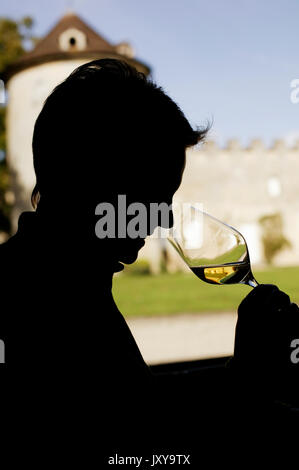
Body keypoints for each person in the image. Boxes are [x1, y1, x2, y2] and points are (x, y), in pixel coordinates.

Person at [0, 59, 297, 457]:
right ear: (93, 181)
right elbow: (133, 448)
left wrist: (241, 374)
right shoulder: (41, 301)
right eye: (154, 195)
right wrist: (247, 381)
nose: (165, 217)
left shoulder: (58, 277)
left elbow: (135, 403)